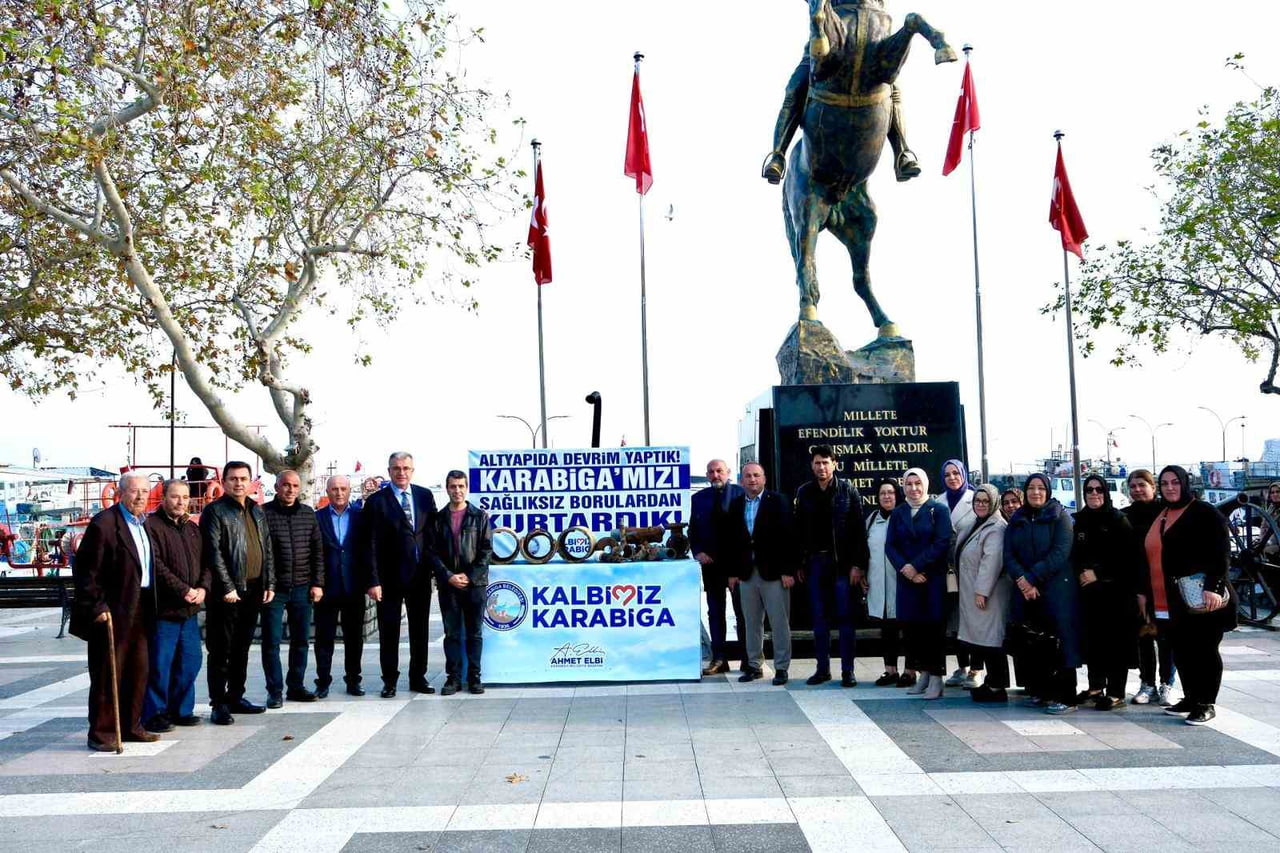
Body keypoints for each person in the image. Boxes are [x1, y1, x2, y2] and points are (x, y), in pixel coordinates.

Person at [71, 472, 158, 751]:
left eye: (145, 491)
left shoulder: (144, 524)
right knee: (109, 673)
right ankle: (102, 732)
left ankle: (131, 725)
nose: (140, 496)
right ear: (121, 493)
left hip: (141, 606)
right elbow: (85, 572)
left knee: (138, 670)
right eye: (134, 491)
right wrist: (96, 605)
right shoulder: (105, 524)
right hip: (113, 610)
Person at [1148, 466, 1235, 725]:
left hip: (1201, 596)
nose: (1170, 487)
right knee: (1182, 649)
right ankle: (1191, 697)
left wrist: (1213, 587)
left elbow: (1221, 552)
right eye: (1164, 483)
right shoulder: (1162, 514)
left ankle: (1206, 702)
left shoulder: (1204, 513)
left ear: (1185, 484)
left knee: (1204, 649)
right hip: (1170, 598)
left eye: (1175, 482)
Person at [762, 52, 919, 183]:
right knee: (794, 90)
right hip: (822, 55)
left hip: (871, 54)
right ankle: (777, 156)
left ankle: (901, 153)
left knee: (894, 93)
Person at [202, 461, 276, 725]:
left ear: (250, 482)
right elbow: (213, 552)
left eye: (243, 478)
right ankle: (218, 703)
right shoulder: (215, 511)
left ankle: (236, 696)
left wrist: (270, 582)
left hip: (254, 589)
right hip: (227, 593)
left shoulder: (256, 511)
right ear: (224, 482)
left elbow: (266, 547)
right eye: (233, 478)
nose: (239, 483)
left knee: (242, 648)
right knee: (221, 649)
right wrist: (227, 586)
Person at [362, 451, 439, 697]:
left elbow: (435, 533)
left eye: (406, 468)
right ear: (389, 471)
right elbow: (369, 544)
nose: (401, 473)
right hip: (389, 579)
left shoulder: (425, 496)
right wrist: (373, 580)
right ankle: (390, 681)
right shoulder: (376, 502)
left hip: (420, 576)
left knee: (420, 630)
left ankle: (418, 677)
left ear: (412, 470)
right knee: (389, 631)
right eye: (396, 468)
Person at [1004, 473, 1080, 714]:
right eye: (1031, 488)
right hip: (1026, 590)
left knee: (1060, 642)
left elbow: (1060, 552)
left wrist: (1031, 577)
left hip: (1056, 590)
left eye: (1040, 488)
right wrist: (1022, 580)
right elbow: (1008, 555)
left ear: (1047, 491)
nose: (1036, 492)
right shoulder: (1018, 518)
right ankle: (1042, 691)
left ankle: (1066, 696)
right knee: (1034, 642)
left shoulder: (1061, 518)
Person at [795, 445, 869, 687]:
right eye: (817, 463)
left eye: (826, 462)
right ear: (812, 465)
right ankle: (822, 669)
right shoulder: (804, 492)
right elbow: (798, 531)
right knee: (819, 619)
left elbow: (859, 530)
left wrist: (858, 565)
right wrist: (800, 563)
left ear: (834, 464)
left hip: (843, 565)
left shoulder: (848, 490)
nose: (821, 467)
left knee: (846, 619)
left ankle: (848, 670)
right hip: (815, 563)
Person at [142, 479, 208, 733]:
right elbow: (156, 565)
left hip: (190, 610)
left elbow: (207, 563)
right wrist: (184, 590)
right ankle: (155, 712)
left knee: (191, 661)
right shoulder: (152, 527)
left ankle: (181, 709)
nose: (180, 502)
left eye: (184, 497)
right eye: (174, 496)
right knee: (160, 663)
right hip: (165, 610)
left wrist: (203, 588)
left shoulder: (193, 529)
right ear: (163, 498)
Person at [722, 462, 795, 685]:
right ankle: (754, 665)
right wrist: (732, 572)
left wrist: (787, 571)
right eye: (747, 476)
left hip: (774, 573)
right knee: (751, 622)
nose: (752, 479)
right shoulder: (735, 505)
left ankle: (781, 667)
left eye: (756, 475)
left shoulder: (778, 501)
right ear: (741, 480)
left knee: (779, 622)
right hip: (746, 573)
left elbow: (789, 538)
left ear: (764, 478)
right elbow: (732, 542)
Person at [1071, 473, 1138, 711]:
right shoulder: (1079, 520)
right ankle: (1095, 686)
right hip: (1089, 595)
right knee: (1093, 641)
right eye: (1089, 490)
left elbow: (1128, 557)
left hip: (1116, 594)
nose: (1094, 494)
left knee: (1115, 643)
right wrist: (1081, 572)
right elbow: (1073, 554)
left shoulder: (1119, 520)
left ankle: (1116, 691)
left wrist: (1097, 573)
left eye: (1099, 489)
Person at [886, 468, 952, 700]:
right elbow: (890, 546)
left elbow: (942, 542)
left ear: (925, 484)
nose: (914, 489)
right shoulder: (899, 512)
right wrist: (906, 569)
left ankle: (936, 677)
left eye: (918, 483)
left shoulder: (939, 510)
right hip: (908, 581)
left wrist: (917, 565)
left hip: (931, 579)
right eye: (909, 484)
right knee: (913, 630)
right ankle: (923, 673)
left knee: (933, 630)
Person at [261, 470, 325, 706]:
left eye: (295, 486)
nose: (290, 490)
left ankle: (296, 686)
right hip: (274, 589)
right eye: (286, 485)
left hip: (302, 586)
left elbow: (318, 551)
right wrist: (267, 584)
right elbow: (262, 553)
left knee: (301, 640)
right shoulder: (264, 513)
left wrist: (318, 583)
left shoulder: (308, 514)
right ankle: (274, 691)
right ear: (277, 487)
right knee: (271, 642)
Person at [433, 470, 492, 695]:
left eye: (460, 486)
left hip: (474, 585)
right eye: (452, 486)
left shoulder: (479, 516)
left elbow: (486, 551)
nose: (457, 490)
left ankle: (474, 677)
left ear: (466, 488)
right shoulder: (438, 519)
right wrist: (448, 575)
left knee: (474, 633)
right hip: (449, 585)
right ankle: (453, 678)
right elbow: (432, 552)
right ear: (447, 488)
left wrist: (470, 576)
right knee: (452, 634)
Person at [690, 459, 746, 675]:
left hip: (737, 567)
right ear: (706, 475)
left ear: (728, 472)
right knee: (715, 613)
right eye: (711, 472)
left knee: (743, 614)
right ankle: (719, 658)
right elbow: (693, 531)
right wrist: (698, 552)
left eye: (719, 471)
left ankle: (747, 659)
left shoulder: (741, 495)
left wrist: (738, 566)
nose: (716, 475)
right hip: (711, 566)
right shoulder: (698, 498)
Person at [956, 484, 1012, 703]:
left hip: (989, 594)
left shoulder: (997, 527)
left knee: (992, 641)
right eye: (977, 500)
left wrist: (981, 592)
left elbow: (991, 562)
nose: (980, 504)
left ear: (994, 503)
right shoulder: (976, 523)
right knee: (983, 640)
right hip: (975, 591)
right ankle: (992, 682)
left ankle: (998, 687)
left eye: (985, 501)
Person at [1124, 469, 1174, 705]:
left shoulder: (1165, 514)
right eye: (1133, 486)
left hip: (1162, 585)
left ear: (1153, 487)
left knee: (1166, 639)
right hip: (1136, 585)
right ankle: (1147, 684)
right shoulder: (1124, 516)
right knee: (1143, 637)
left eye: (1142, 485)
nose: (1137, 489)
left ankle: (1167, 683)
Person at [314, 475, 366, 697]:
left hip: (354, 587)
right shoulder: (317, 518)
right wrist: (316, 583)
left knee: (354, 638)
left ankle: (353, 680)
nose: (339, 493)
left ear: (349, 490)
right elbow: (313, 553)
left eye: (343, 488)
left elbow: (368, 551)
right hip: (327, 587)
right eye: (334, 489)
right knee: (324, 638)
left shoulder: (361, 517)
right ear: (327, 491)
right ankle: (323, 681)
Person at [866, 479, 916, 687]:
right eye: (882, 493)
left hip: (903, 582)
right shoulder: (871, 520)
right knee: (887, 629)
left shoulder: (907, 517)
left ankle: (910, 671)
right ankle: (890, 670)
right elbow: (865, 551)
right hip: (879, 583)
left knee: (909, 628)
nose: (887, 497)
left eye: (891, 492)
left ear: (898, 494)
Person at [940, 459, 981, 689]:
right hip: (950, 573)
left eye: (956, 473)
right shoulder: (939, 501)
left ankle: (976, 670)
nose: (952, 478)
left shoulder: (975, 500)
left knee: (973, 621)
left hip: (970, 570)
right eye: (947, 475)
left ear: (963, 474)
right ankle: (962, 666)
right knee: (955, 622)